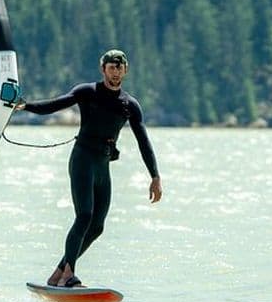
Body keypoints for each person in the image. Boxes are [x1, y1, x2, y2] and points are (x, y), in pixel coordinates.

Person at [17, 49, 163, 287]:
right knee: (84, 215)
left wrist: (155, 176)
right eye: (111, 67)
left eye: (120, 68)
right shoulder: (88, 92)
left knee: (97, 227)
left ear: (126, 70)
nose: (115, 72)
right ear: (103, 69)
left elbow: (143, 141)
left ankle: (58, 274)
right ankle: (69, 275)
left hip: (103, 165)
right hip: (83, 159)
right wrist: (25, 106)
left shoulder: (130, 105)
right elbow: (54, 105)